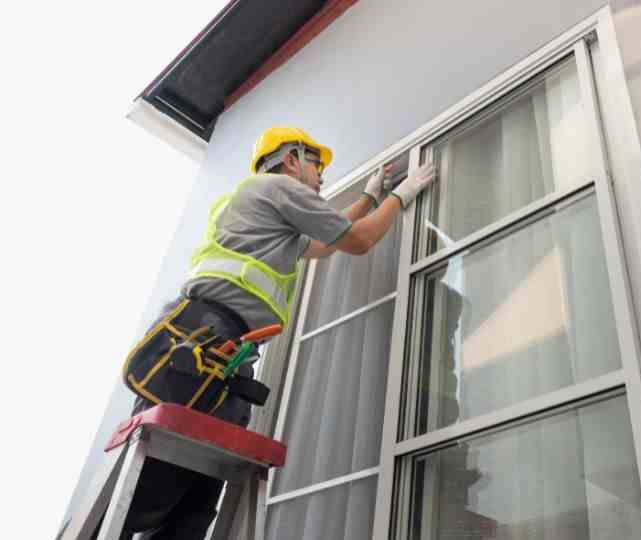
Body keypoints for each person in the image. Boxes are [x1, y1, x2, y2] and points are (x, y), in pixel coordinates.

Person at [107, 126, 436, 539]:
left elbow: (323, 245)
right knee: (157, 485)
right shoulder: (278, 187)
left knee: (194, 490)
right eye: (316, 163)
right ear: (291, 160)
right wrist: (401, 196)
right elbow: (358, 240)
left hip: (217, 346)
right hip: (207, 343)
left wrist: (370, 197)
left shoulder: (260, 204)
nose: (321, 175)